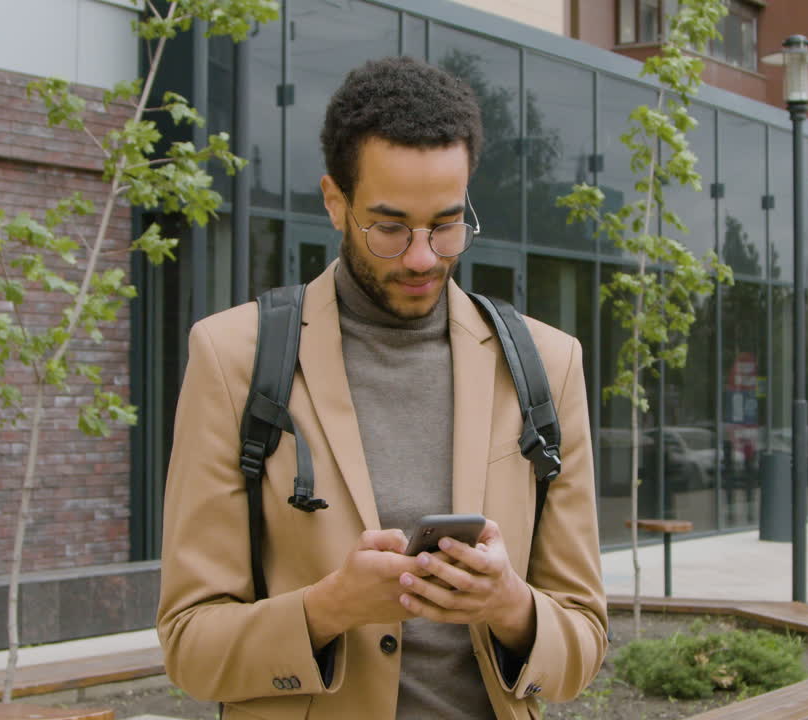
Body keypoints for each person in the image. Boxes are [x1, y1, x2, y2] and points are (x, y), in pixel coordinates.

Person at [158, 56, 606, 720]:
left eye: (447, 224)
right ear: (335, 201)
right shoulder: (233, 358)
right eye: (391, 228)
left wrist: (510, 605)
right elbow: (190, 647)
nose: (424, 256)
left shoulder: (547, 363)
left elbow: (585, 644)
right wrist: (329, 607)